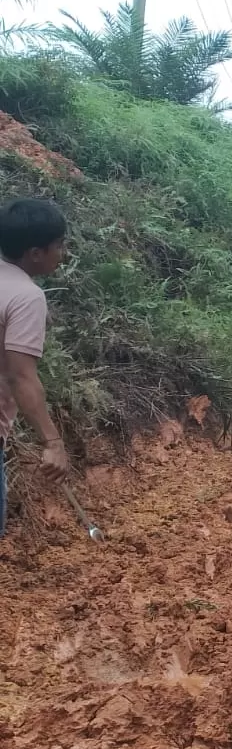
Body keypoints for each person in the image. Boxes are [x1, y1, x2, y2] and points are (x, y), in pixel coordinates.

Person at [0, 198, 71, 537]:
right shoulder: (26, 296)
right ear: (35, 253)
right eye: (59, 245)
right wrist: (53, 442)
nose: (64, 253)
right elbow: (20, 376)